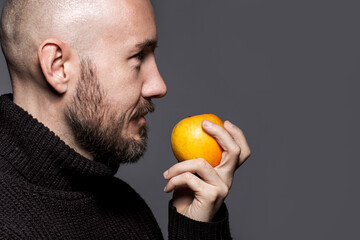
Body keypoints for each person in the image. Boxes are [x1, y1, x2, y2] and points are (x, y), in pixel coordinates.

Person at [0, 0, 251, 239]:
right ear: (58, 66)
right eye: (138, 56)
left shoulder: (126, 208)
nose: (159, 86)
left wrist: (196, 229)